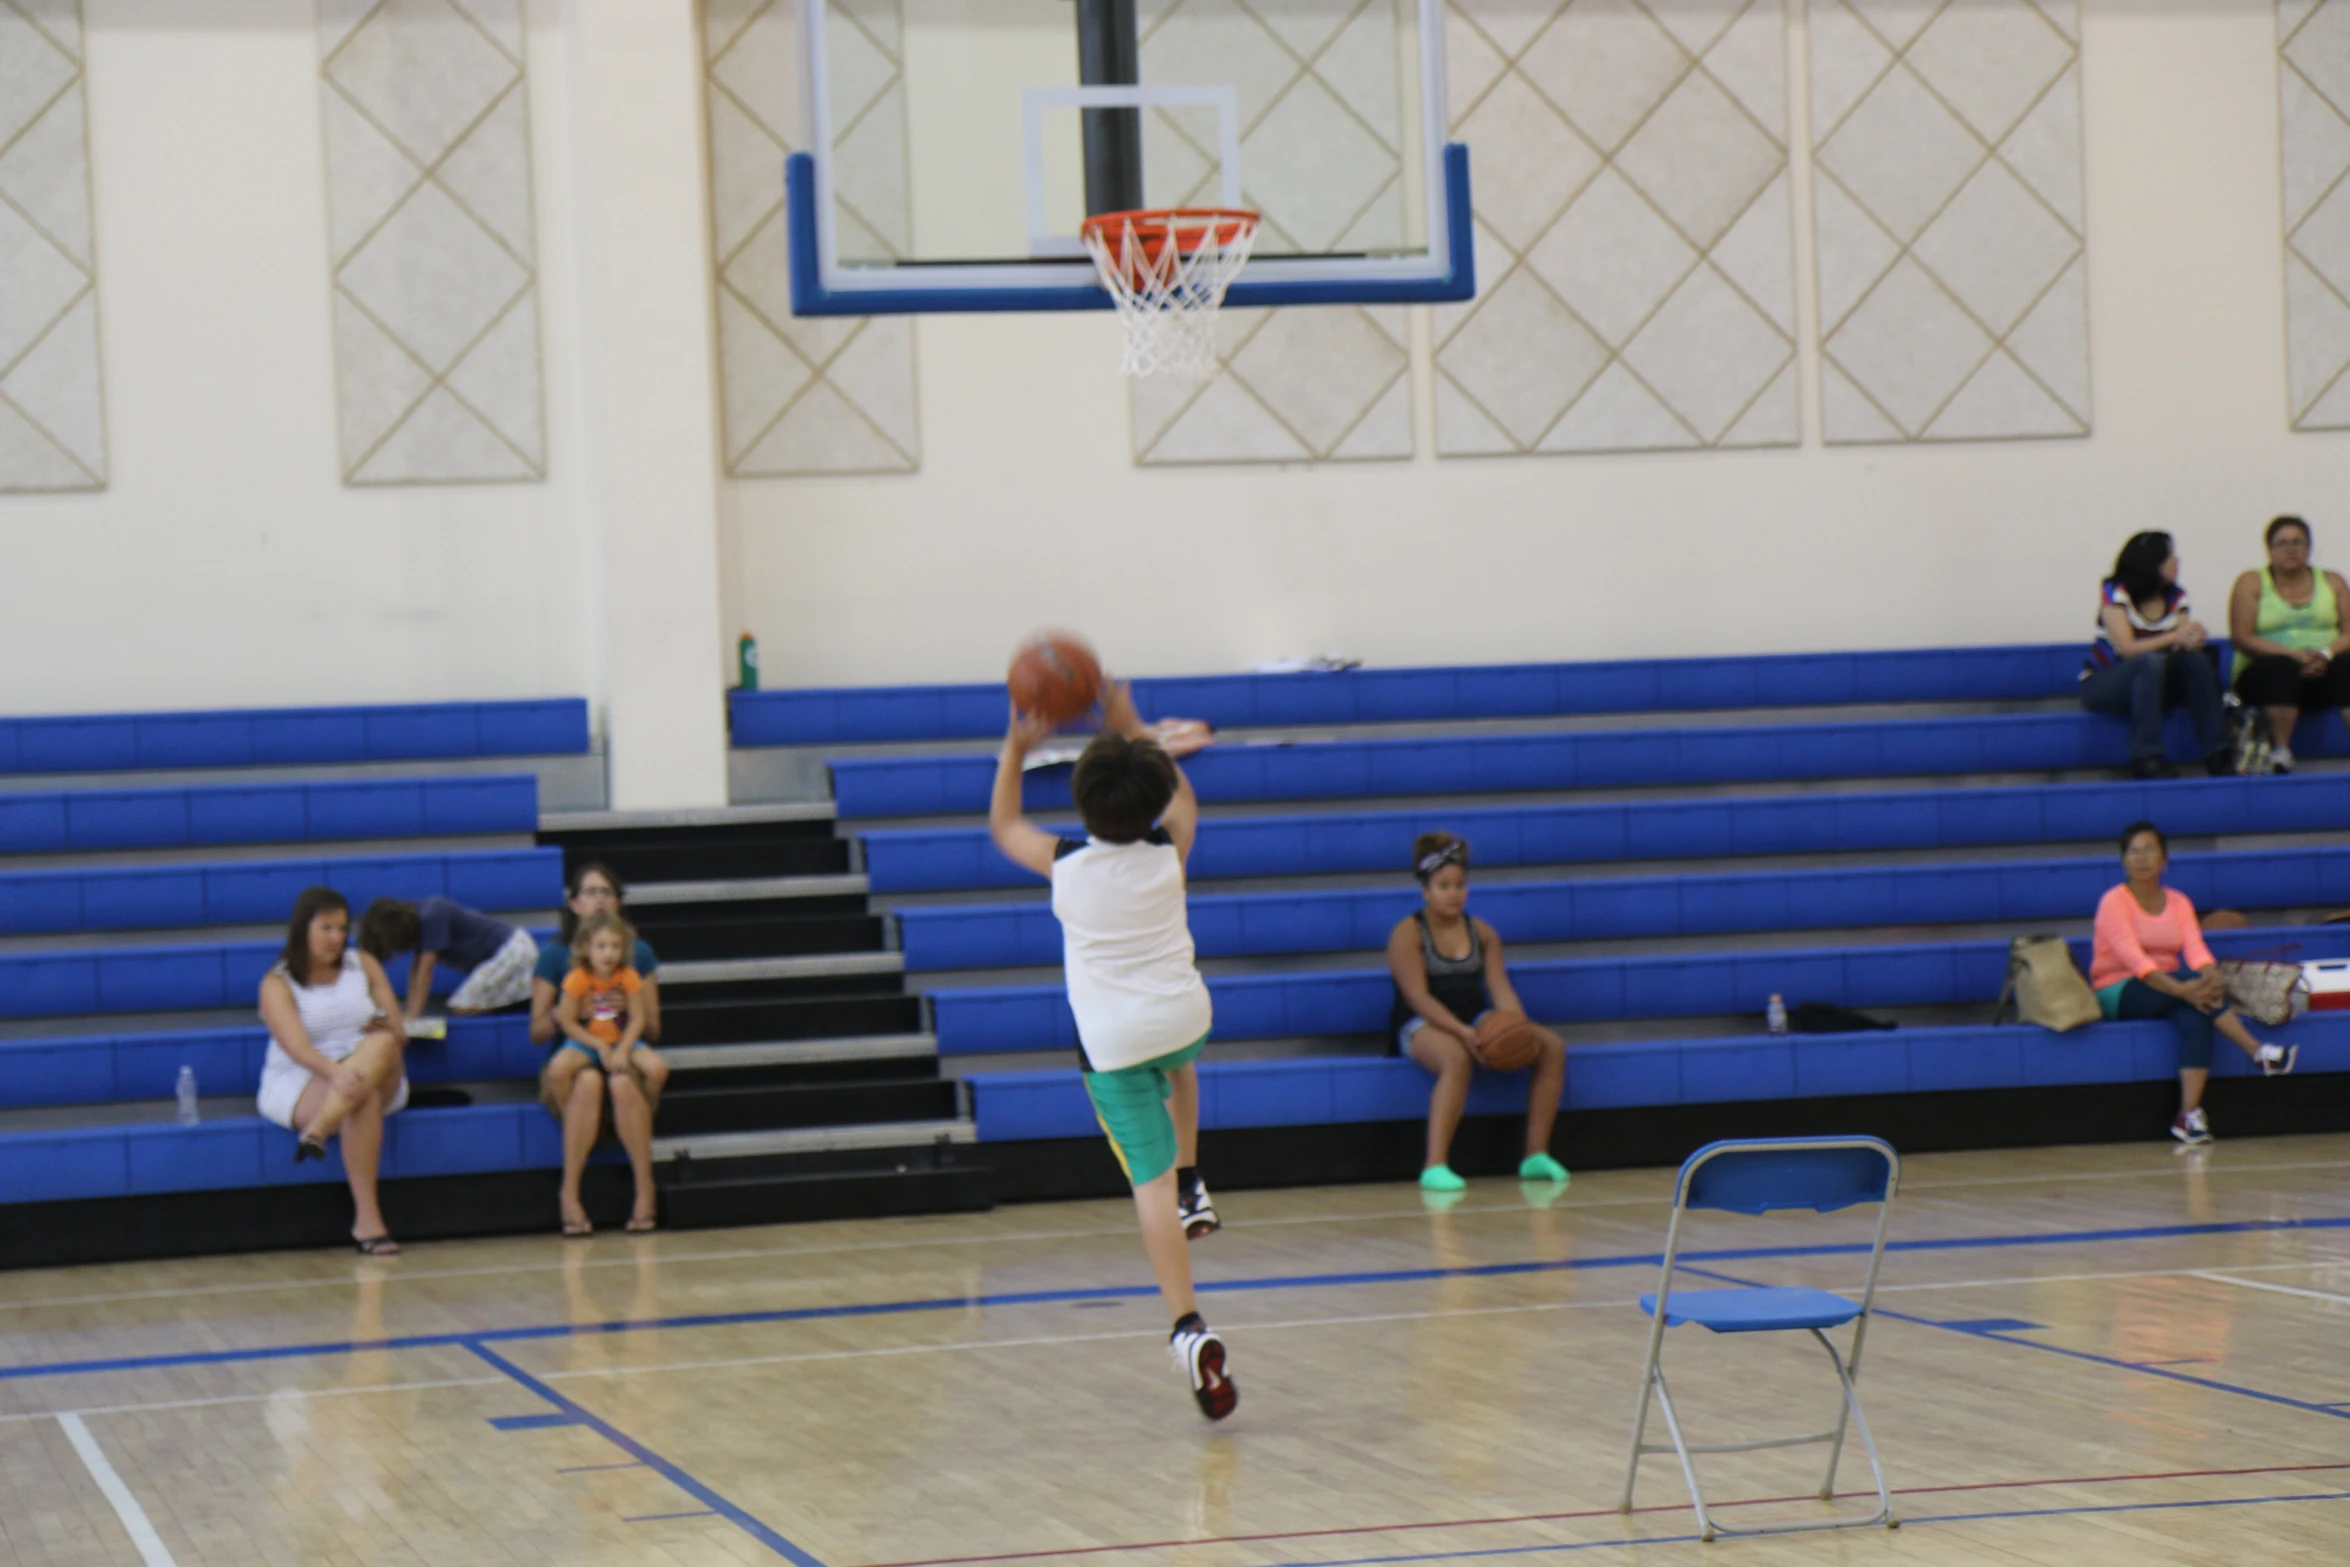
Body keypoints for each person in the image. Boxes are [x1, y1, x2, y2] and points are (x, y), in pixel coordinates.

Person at [988, 680, 1235, 1420]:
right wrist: (1132, 725)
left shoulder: (1067, 866)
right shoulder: (1168, 851)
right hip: (1186, 1015)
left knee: (1145, 1184)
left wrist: (1015, 746)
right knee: (1179, 1055)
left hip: (1116, 1043)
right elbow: (1184, 801)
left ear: (1083, 803)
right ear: (1151, 794)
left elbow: (1005, 826)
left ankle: (1188, 1324)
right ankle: (1194, 1177)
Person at [2089, 822, 2295, 1147]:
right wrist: (2183, 988)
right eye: (2133, 851)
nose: (2141, 858)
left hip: (2171, 990)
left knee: (2195, 1015)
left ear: (2164, 860)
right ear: (2123, 861)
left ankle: (2188, 1116)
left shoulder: (2178, 901)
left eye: (2149, 849)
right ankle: (2256, 1051)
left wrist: (2210, 973)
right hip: (2118, 989)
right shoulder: (2114, 902)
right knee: (2190, 988)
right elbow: (2136, 962)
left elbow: (2195, 948)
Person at [1385, 833, 1569, 1193]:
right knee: (1455, 1058)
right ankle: (1435, 1164)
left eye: (1460, 885)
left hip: (1472, 1015)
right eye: (1444, 886)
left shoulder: (1482, 932)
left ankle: (1535, 1155)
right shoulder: (1406, 933)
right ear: (1425, 890)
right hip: (1417, 1022)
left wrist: (1516, 1026)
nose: (1454, 893)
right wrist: (1462, 1032)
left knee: (1552, 1046)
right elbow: (1418, 997)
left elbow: (1501, 991)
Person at [257, 886, 410, 1255]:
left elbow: (399, 1032)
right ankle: (368, 1221)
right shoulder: (276, 983)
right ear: (302, 930)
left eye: (342, 929)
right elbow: (297, 1048)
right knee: (363, 1096)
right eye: (326, 928)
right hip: (305, 1074)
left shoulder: (364, 964)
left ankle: (320, 1128)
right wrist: (336, 1072)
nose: (337, 938)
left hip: (370, 1063)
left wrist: (381, 1030)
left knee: (385, 1044)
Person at [546, 910, 666, 1235]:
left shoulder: (628, 975)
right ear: (586, 947)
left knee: (657, 1068)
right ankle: (576, 1120)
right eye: (601, 946)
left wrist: (624, 1048)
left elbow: (640, 1019)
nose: (608, 953)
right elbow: (566, 1021)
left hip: (623, 1041)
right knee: (559, 1069)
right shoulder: (576, 978)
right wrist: (599, 1047)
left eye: (614, 946)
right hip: (588, 1043)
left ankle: (643, 1113)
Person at [2079, 531, 2232, 780]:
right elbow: (2127, 649)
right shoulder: (2115, 592)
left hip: (2156, 684)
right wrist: (2175, 637)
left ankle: (2218, 752)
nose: (2177, 561)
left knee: (2194, 660)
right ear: (2151, 562)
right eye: (2169, 556)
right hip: (2106, 681)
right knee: (2147, 663)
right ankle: (2146, 756)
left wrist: (2192, 639)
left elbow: (2181, 643)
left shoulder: (2176, 596)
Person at [2228, 515, 2350, 775]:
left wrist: (2324, 655)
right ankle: (2280, 751)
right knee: (2280, 667)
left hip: (2322, 671)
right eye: (2282, 543)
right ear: (2269, 549)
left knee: (2347, 664)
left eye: (2298, 542)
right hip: (2264, 676)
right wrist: (2294, 657)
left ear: (2309, 547)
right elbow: (2242, 637)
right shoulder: (2251, 582)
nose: (2291, 549)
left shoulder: (2333, 581)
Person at [531, 863, 662, 1048]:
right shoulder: (553, 953)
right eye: (591, 892)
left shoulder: (639, 952)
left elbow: (654, 1031)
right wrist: (565, 1012)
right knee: (587, 1078)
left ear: (618, 904)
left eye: (606, 892)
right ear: (574, 904)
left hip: (625, 1051)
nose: (600, 899)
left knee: (623, 1077)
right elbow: (537, 1033)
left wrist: (631, 1006)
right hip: (572, 1052)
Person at [357, 895, 539, 1020]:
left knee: (463, 1007)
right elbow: (415, 972)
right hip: (500, 954)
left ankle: (523, 1002)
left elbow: (425, 972)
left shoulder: (432, 915)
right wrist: (408, 1017)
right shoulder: (420, 921)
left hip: (512, 951)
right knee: (464, 1005)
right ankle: (522, 999)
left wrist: (412, 1018)